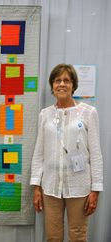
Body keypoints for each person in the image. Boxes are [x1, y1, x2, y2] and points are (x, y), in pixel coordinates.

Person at [30, 64, 103, 242]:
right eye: (57, 80)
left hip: (79, 187)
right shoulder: (45, 114)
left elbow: (95, 154)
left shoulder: (88, 112)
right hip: (50, 187)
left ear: (73, 85)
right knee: (53, 236)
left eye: (66, 80)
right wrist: (36, 186)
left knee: (78, 235)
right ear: (52, 86)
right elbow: (39, 153)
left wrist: (96, 190)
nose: (62, 84)